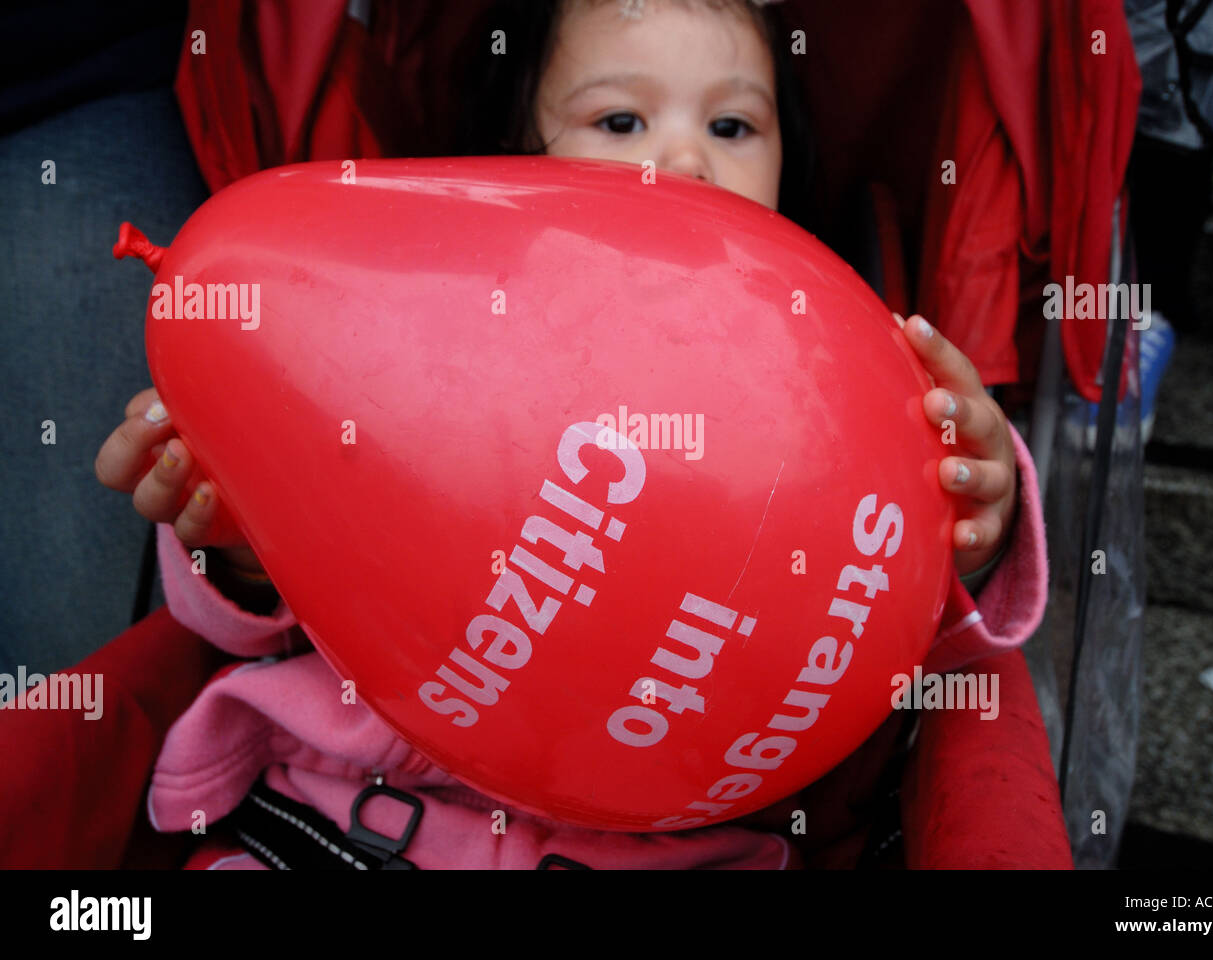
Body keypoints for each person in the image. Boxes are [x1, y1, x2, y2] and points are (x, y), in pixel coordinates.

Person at [92, 0, 1049, 869]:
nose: (682, 162)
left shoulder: (832, 366)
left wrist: (979, 508)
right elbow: (272, 612)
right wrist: (247, 543)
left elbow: (897, 606)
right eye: (620, 122)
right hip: (342, 820)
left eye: (732, 126)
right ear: (519, 168)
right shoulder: (425, 337)